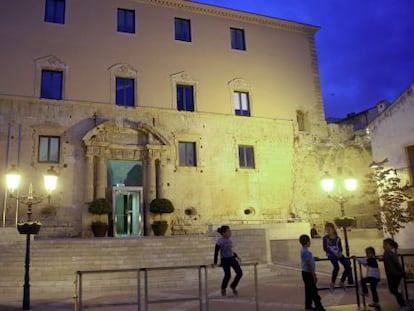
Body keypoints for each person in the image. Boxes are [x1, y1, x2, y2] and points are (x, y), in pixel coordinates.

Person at [213, 225, 243, 296]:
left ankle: (233, 286)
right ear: (223, 233)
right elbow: (216, 252)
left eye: (230, 231)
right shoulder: (219, 241)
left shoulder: (230, 240)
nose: (230, 233)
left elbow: (230, 251)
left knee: (240, 273)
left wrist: (237, 256)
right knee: (228, 275)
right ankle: (223, 288)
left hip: (232, 258)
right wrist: (215, 262)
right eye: (228, 231)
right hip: (225, 260)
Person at [299, 234, 326, 311]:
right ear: (307, 242)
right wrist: (313, 274)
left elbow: (308, 259)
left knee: (308, 290)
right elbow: (308, 263)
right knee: (313, 290)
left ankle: (308, 306)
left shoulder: (304, 250)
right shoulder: (305, 251)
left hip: (306, 273)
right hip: (308, 273)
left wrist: (313, 258)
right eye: (309, 241)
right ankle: (319, 307)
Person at [323, 222, 352, 291]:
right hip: (331, 255)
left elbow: (340, 247)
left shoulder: (337, 238)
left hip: (338, 254)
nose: (328, 231)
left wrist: (339, 253)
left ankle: (342, 281)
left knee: (348, 266)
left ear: (333, 229)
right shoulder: (325, 238)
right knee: (336, 267)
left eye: (329, 229)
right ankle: (332, 283)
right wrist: (333, 253)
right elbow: (325, 248)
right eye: (327, 230)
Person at [383, 238, 406, 311]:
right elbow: (385, 259)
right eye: (384, 244)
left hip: (395, 274)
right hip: (390, 274)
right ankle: (403, 304)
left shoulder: (391, 254)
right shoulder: (386, 253)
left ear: (390, 246)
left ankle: (403, 305)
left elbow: (397, 263)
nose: (384, 246)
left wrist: (402, 272)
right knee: (393, 290)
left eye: (385, 244)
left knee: (393, 290)